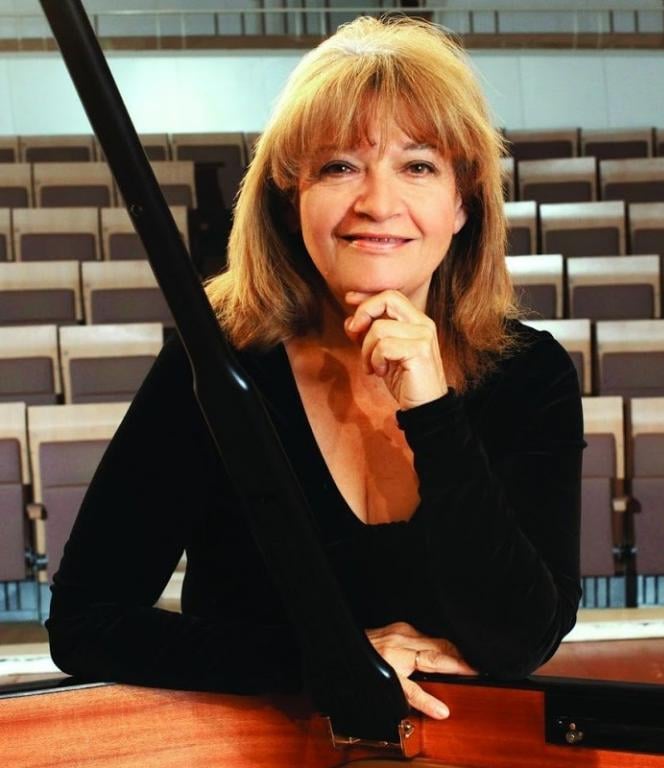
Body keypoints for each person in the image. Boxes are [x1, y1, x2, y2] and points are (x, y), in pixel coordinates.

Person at [46, 15, 583, 722]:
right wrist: (329, 660)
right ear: (290, 195)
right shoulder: (212, 368)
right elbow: (86, 623)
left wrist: (433, 412)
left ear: (463, 204)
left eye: (418, 166)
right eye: (339, 166)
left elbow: (518, 639)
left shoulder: (530, 375)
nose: (378, 203)